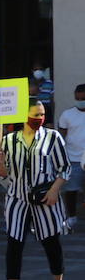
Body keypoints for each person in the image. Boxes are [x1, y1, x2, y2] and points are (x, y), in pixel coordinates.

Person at [0, 101, 68, 280]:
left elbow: (65, 168)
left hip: (45, 197)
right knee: (14, 242)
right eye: (35, 114)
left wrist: (54, 190)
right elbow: (3, 174)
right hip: (17, 198)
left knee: (51, 241)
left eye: (42, 114)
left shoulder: (53, 138)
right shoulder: (9, 140)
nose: (39, 118)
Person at [53, 83, 85, 231]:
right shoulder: (67, 115)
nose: (80, 101)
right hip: (73, 159)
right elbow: (60, 137)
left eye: (83, 98)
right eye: (77, 98)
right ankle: (71, 217)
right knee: (71, 190)